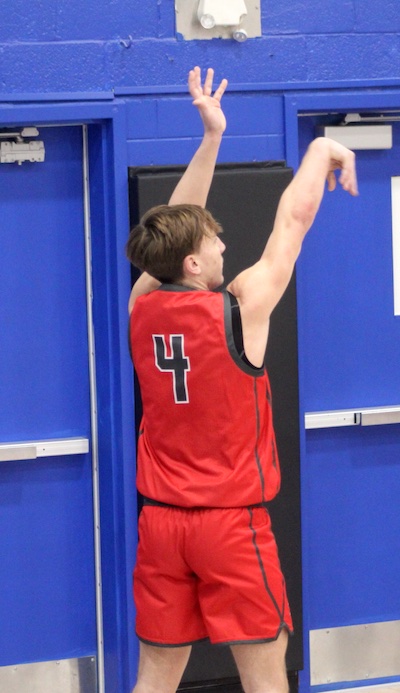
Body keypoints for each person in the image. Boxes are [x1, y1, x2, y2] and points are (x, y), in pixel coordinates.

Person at [126, 66, 358, 693]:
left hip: (161, 525)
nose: (224, 247)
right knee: (265, 676)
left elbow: (173, 220)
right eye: (214, 241)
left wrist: (211, 138)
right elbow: (291, 227)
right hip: (228, 524)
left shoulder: (141, 306)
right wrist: (320, 150)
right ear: (192, 262)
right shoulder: (239, 309)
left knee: (155, 676)